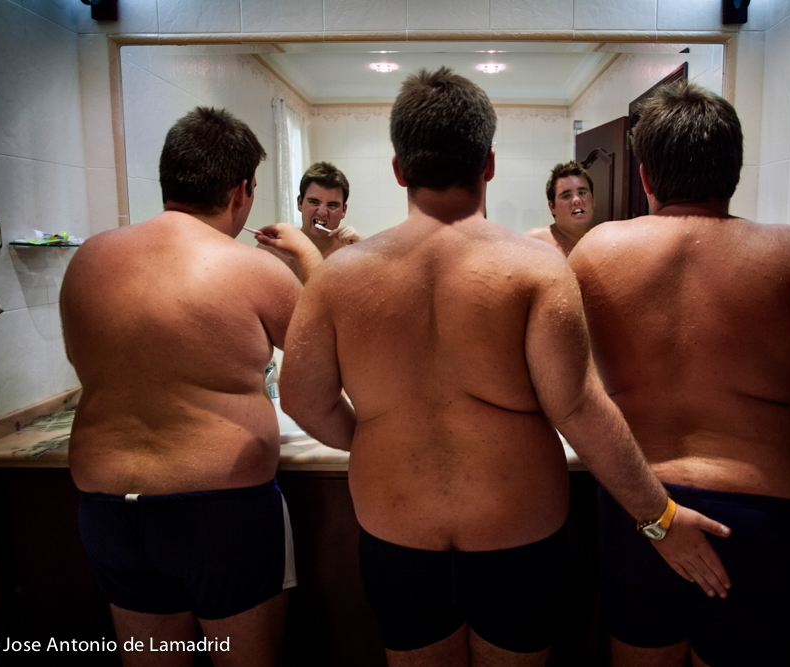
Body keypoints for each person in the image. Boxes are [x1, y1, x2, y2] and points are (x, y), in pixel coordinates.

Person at [279, 67, 732, 667]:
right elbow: (577, 407)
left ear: (398, 169)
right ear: (488, 163)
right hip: (517, 540)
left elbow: (302, 398)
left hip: (397, 535)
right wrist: (660, 517)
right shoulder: (536, 268)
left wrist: (373, 436)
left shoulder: (339, 276)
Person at [569, 82, 790, 667]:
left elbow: (565, 386)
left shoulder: (597, 252)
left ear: (647, 177)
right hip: (761, 514)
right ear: (733, 170)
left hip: (642, 506)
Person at [60, 107, 322, 667]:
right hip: (220, 514)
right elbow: (329, 362)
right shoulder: (252, 270)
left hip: (109, 511)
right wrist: (307, 258)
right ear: (242, 191)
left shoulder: (87, 260)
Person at [524, 162, 595, 257]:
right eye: (566, 196)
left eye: (582, 193)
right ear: (552, 207)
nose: (576, 200)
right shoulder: (534, 242)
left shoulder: (602, 243)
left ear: (593, 200)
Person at [295, 161, 364, 258]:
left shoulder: (354, 253)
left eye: (332, 205)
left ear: (343, 211)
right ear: (300, 203)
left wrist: (367, 249)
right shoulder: (274, 247)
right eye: (314, 202)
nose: (322, 213)